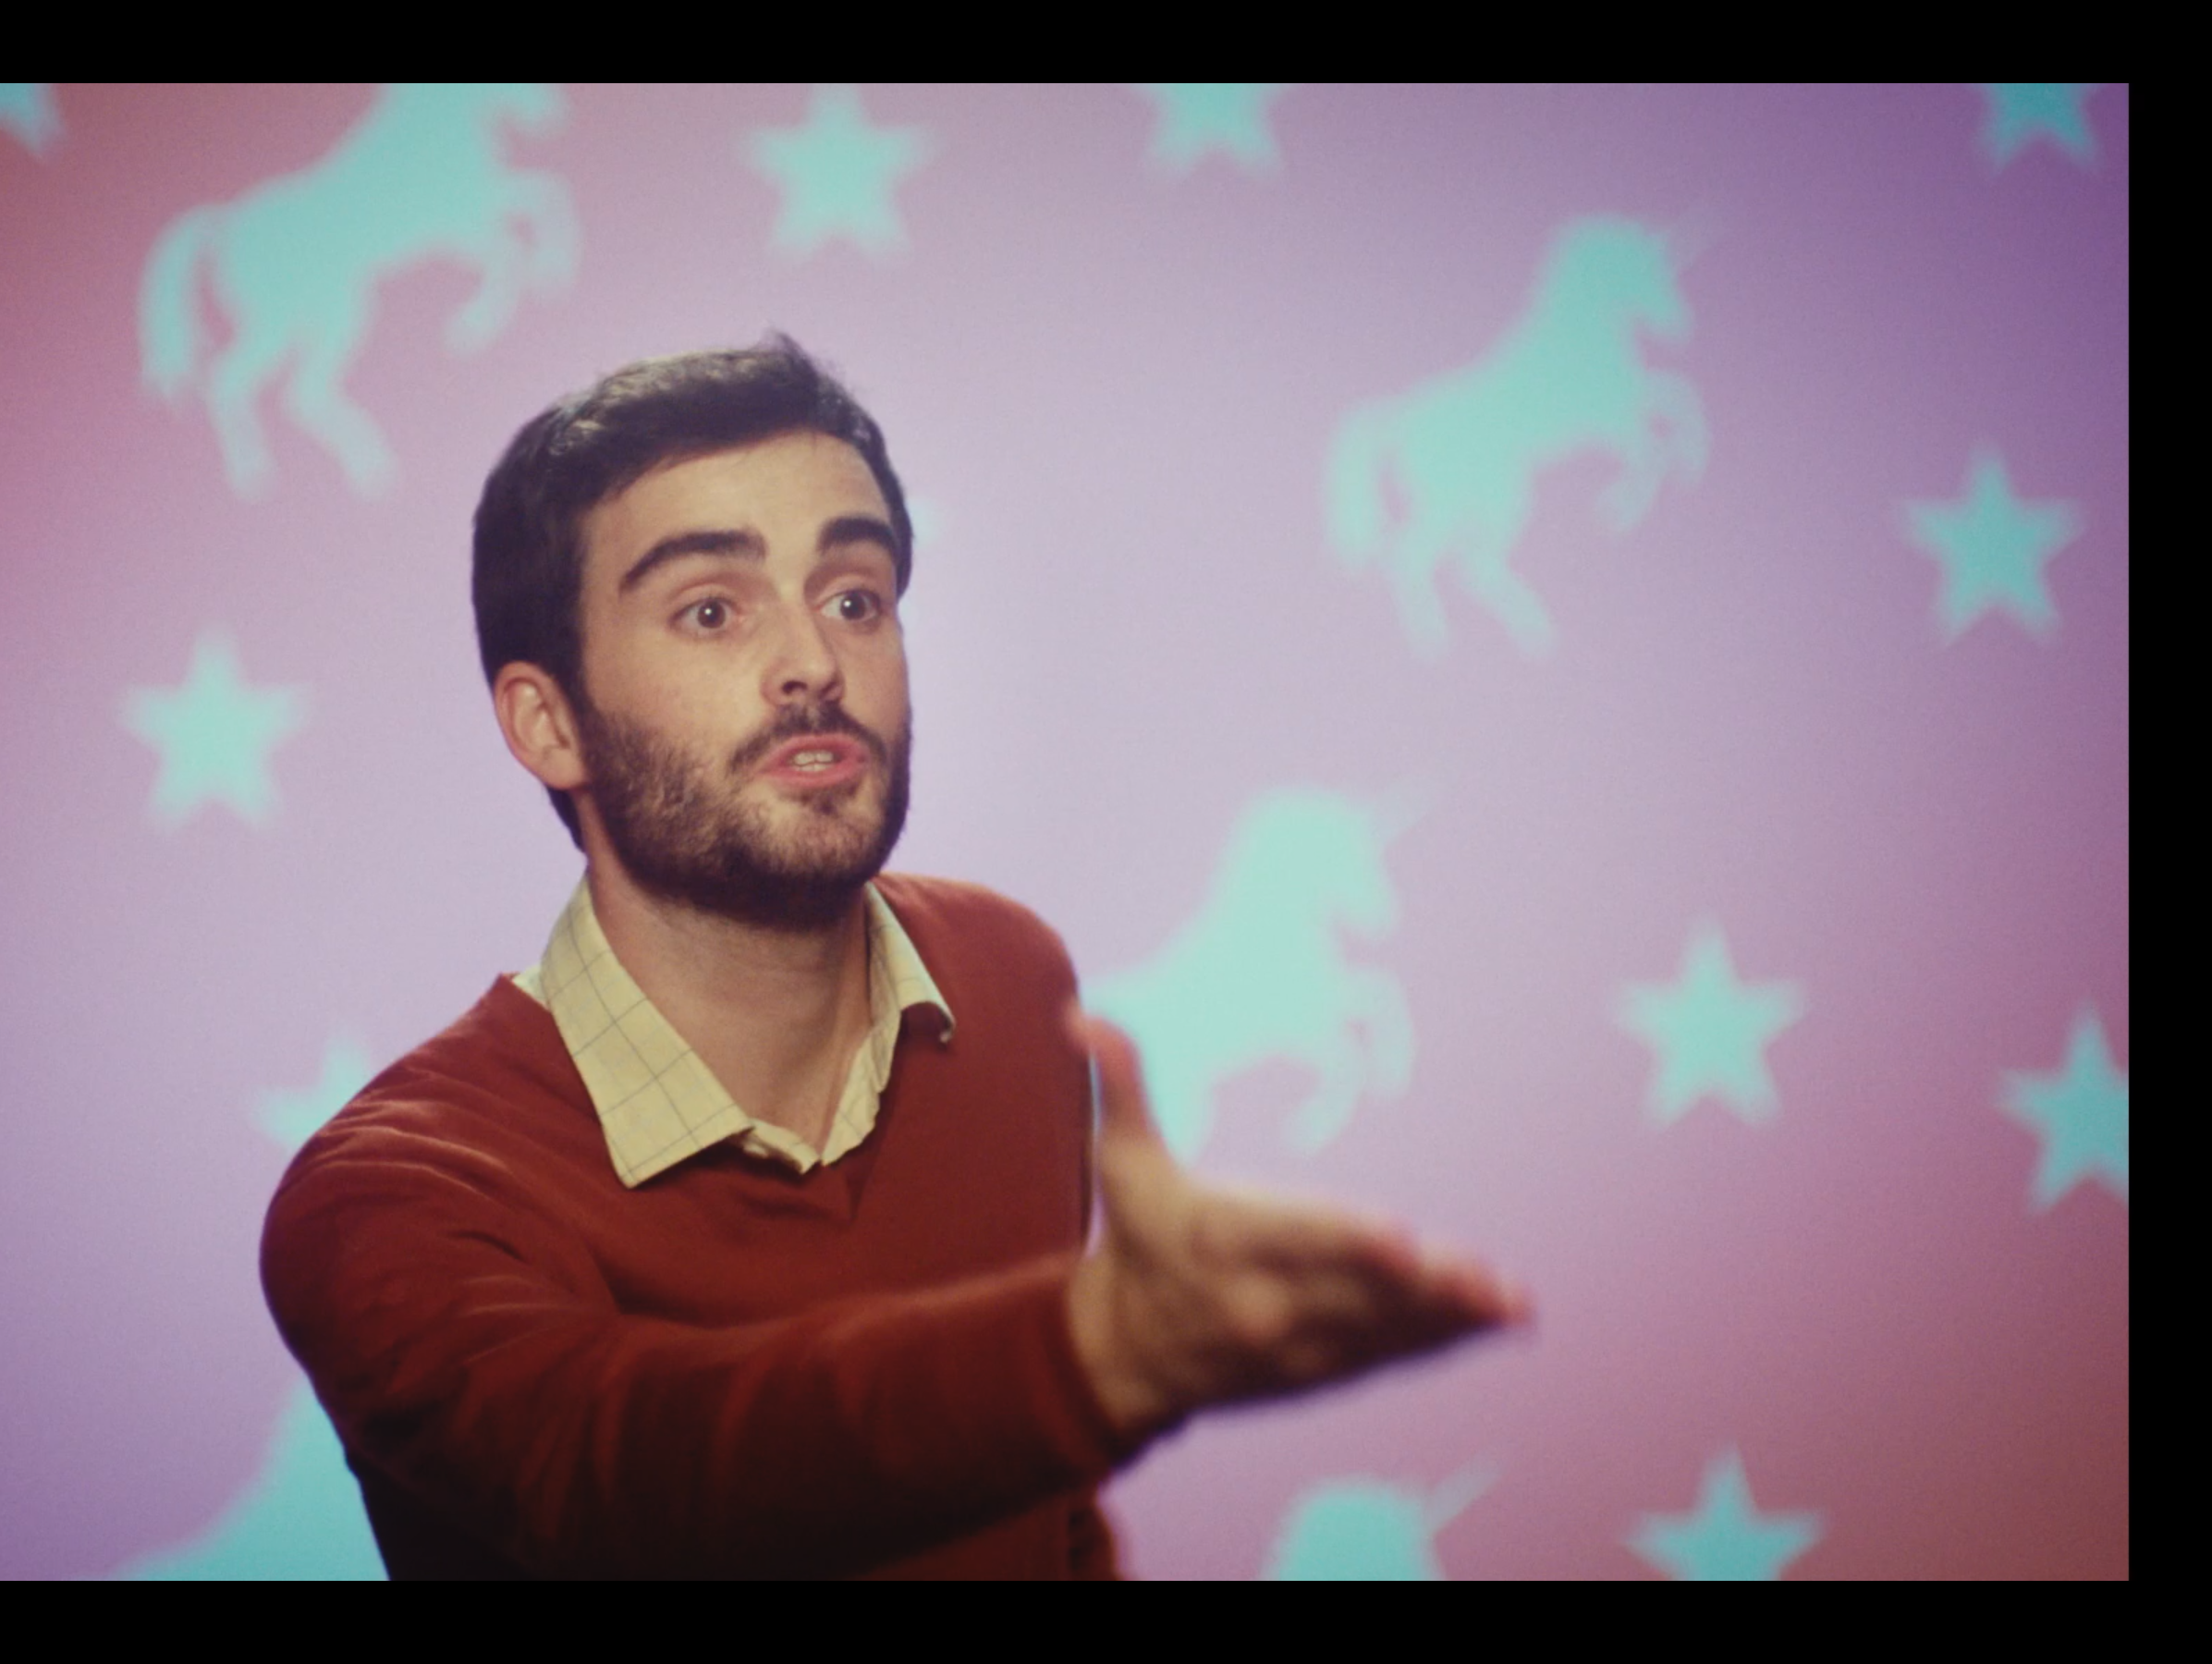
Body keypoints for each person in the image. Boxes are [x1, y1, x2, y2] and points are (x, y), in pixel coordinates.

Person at [260, 336, 1528, 1579]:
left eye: (853, 598)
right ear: (550, 724)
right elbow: (624, 1477)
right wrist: (1093, 1354)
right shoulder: (387, 1201)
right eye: (711, 610)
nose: (814, 663)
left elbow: (1047, 1524)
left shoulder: (1009, 983)